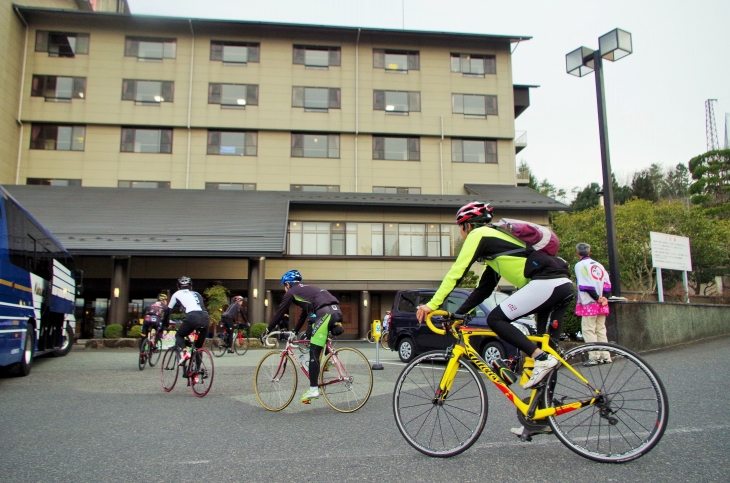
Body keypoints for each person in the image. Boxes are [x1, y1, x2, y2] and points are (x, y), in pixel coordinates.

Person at [415, 201, 573, 390]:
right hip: (561, 285)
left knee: (496, 319)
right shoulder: (496, 245)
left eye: (460, 229)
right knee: (549, 356)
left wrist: (432, 305)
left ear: (468, 225)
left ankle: (540, 358)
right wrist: (460, 313)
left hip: (546, 284)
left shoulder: (479, 234)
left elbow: (457, 272)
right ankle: (542, 412)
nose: (462, 235)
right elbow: (484, 289)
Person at [262, 270, 343, 403]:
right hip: (335, 310)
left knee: (313, 353)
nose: (284, 289)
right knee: (314, 338)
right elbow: (304, 314)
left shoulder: (291, 292)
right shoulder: (306, 291)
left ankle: (313, 390)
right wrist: (294, 331)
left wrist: (267, 331)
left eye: (284, 286)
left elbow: (279, 312)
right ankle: (327, 361)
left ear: (288, 284)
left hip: (324, 313)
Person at [574, 243, 612, 365]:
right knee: (601, 328)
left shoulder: (580, 265)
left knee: (588, 329)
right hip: (602, 302)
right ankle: (605, 355)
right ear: (589, 252)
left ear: (577, 253)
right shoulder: (599, 265)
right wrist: (604, 298)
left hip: (589, 301)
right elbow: (607, 283)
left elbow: (585, 285)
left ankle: (594, 356)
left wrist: (596, 297)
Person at [167, 276, 210, 366]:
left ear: (178, 287)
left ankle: (185, 352)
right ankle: (197, 374)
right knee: (198, 347)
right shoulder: (197, 294)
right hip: (205, 317)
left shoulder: (177, 294)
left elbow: (168, 310)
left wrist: (165, 323)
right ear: (191, 287)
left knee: (179, 335)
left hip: (192, 316)